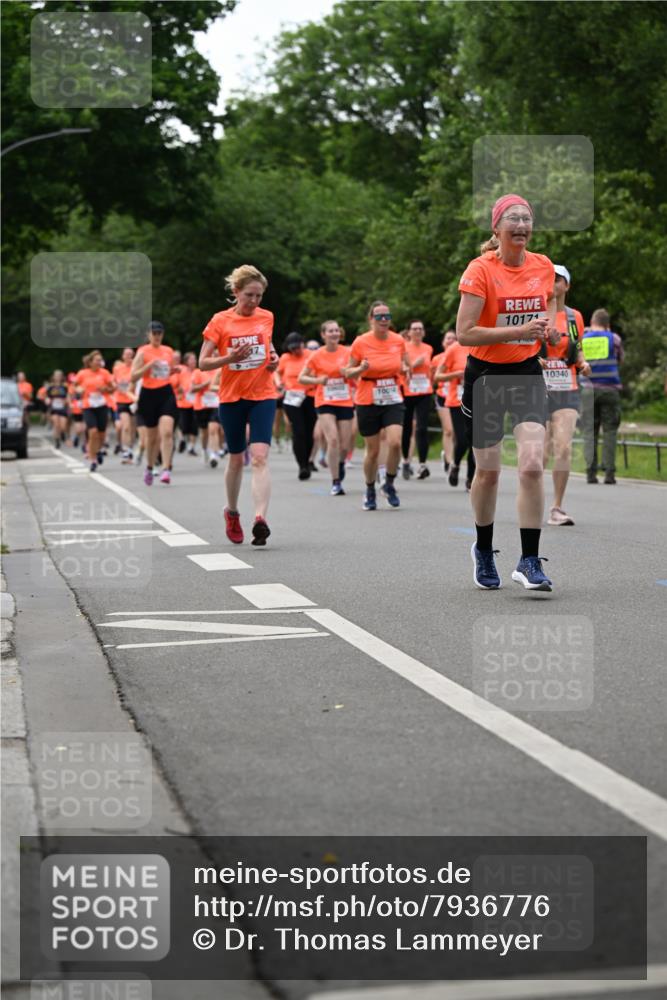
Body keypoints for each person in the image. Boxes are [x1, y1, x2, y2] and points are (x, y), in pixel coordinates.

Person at [457, 193, 556, 591]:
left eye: (526, 218)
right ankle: (483, 549)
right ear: (496, 229)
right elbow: (465, 333)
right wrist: (519, 331)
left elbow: (547, 306)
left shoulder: (543, 266)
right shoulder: (480, 270)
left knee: (532, 463)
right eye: (512, 219)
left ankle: (529, 560)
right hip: (485, 376)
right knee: (490, 472)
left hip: (527, 373)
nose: (521, 225)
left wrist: (544, 328)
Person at [199, 264, 279, 546]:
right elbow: (203, 362)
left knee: (259, 456)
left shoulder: (267, 317)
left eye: (259, 296)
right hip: (232, 397)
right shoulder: (220, 321)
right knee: (235, 459)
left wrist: (274, 361)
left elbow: (269, 350)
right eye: (249, 295)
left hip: (263, 395)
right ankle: (232, 512)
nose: (254, 301)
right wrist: (228, 359)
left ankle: (260, 519)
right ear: (236, 292)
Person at [344, 301, 410, 510]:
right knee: (372, 452)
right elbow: (347, 372)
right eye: (379, 316)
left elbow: (404, 363)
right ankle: (370, 488)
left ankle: (388, 484)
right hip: (367, 398)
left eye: (387, 316)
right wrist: (361, 369)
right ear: (371, 319)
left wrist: (406, 368)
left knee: (395, 442)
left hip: (392, 396)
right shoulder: (361, 342)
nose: (384, 320)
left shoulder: (398, 340)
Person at [542, 265, 591, 523]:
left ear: (566, 286)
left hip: (567, 387)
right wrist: (534, 361)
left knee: (563, 447)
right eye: (549, 278)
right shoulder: (537, 314)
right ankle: (530, 498)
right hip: (537, 389)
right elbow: (524, 348)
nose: (553, 283)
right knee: (540, 453)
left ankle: (557, 508)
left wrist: (583, 363)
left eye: (558, 280)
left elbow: (577, 347)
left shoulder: (574, 317)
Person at [298, 320, 354, 495]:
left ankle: (340, 463)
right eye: (330, 331)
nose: (334, 334)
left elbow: (358, 370)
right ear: (323, 335)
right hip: (325, 401)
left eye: (336, 330)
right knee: (333, 440)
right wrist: (317, 381)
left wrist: (350, 372)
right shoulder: (316, 355)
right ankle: (336, 481)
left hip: (345, 400)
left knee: (345, 445)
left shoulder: (348, 352)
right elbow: (302, 378)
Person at [130, 321, 179, 485]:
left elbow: (167, 371)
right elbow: (133, 377)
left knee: (166, 432)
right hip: (148, 395)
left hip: (166, 393)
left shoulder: (168, 351)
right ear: (148, 335)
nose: (157, 336)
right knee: (151, 438)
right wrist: (148, 365)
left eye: (159, 333)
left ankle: (166, 469)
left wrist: (174, 370)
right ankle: (150, 467)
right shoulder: (142, 352)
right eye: (154, 333)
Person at [580, 308, 624, 485]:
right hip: (609, 389)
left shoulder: (583, 339)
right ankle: (609, 473)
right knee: (610, 431)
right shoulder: (613, 338)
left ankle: (591, 473)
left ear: (592, 322)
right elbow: (620, 359)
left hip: (588, 390)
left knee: (590, 432)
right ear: (608, 325)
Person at [434, 332, 476, 489]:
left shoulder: (484, 346)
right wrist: (456, 374)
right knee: (463, 440)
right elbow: (437, 376)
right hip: (456, 402)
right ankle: (456, 464)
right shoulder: (454, 349)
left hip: (478, 401)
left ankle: (471, 479)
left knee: (475, 441)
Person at [277, 332, 318, 480]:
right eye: (292, 348)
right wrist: (279, 383)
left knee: (309, 431)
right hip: (292, 399)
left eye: (298, 347)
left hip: (309, 396)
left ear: (303, 343)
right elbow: (277, 372)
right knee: (298, 431)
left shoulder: (311, 355)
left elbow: (318, 371)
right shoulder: (285, 358)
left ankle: (307, 460)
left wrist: (314, 379)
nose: (296, 351)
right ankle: (302, 466)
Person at [401, 319, 434, 480]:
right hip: (407, 392)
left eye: (420, 329)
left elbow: (430, 370)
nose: (418, 331)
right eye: (414, 329)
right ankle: (406, 461)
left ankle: (422, 464)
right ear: (408, 332)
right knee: (407, 428)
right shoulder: (403, 347)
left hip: (424, 391)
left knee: (422, 428)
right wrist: (415, 363)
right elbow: (401, 369)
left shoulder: (428, 348)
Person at [73, 351, 115, 472]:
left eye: (100, 360)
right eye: (96, 360)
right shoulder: (83, 373)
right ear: (90, 362)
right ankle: (93, 460)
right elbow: (74, 386)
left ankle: (99, 450)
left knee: (101, 434)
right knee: (93, 432)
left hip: (102, 404)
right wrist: (78, 389)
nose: (99, 362)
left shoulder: (105, 373)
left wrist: (105, 388)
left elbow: (113, 388)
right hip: (88, 405)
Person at [191, 358, 224, 467]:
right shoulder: (197, 372)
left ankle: (213, 454)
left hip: (215, 404)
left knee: (213, 429)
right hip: (201, 406)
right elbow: (193, 389)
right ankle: (205, 449)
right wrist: (205, 384)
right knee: (204, 432)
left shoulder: (219, 371)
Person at [431, 330, 456, 471]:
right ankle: (450, 461)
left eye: (454, 338)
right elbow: (433, 379)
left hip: (459, 397)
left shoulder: (463, 354)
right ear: (443, 342)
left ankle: (448, 454)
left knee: (459, 432)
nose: (451, 340)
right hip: (443, 395)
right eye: (448, 338)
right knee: (448, 430)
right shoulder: (437, 359)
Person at [112, 348, 136, 463]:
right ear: (123, 356)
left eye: (131, 355)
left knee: (132, 428)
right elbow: (114, 382)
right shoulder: (117, 368)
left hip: (134, 400)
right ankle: (125, 451)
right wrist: (118, 386)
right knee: (125, 426)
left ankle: (130, 448)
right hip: (121, 400)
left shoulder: (136, 367)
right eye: (127, 354)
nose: (129, 357)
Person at [174, 352, 199, 455]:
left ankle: (191, 447)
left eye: (195, 359)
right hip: (183, 402)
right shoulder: (182, 371)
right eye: (191, 359)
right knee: (183, 425)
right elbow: (176, 385)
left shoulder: (198, 372)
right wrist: (179, 391)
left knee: (194, 426)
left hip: (197, 403)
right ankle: (182, 440)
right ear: (186, 361)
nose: (194, 361)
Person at [45, 370, 69, 448]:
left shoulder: (65, 386)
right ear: (53, 377)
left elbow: (68, 396)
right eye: (56, 376)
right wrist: (48, 400)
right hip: (54, 408)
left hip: (63, 408)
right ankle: (57, 441)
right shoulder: (51, 387)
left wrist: (67, 401)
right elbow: (47, 397)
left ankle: (62, 433)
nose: (58, 377)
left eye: (59, 376)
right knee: (56, 424)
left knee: (63, 426)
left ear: (62, 377)